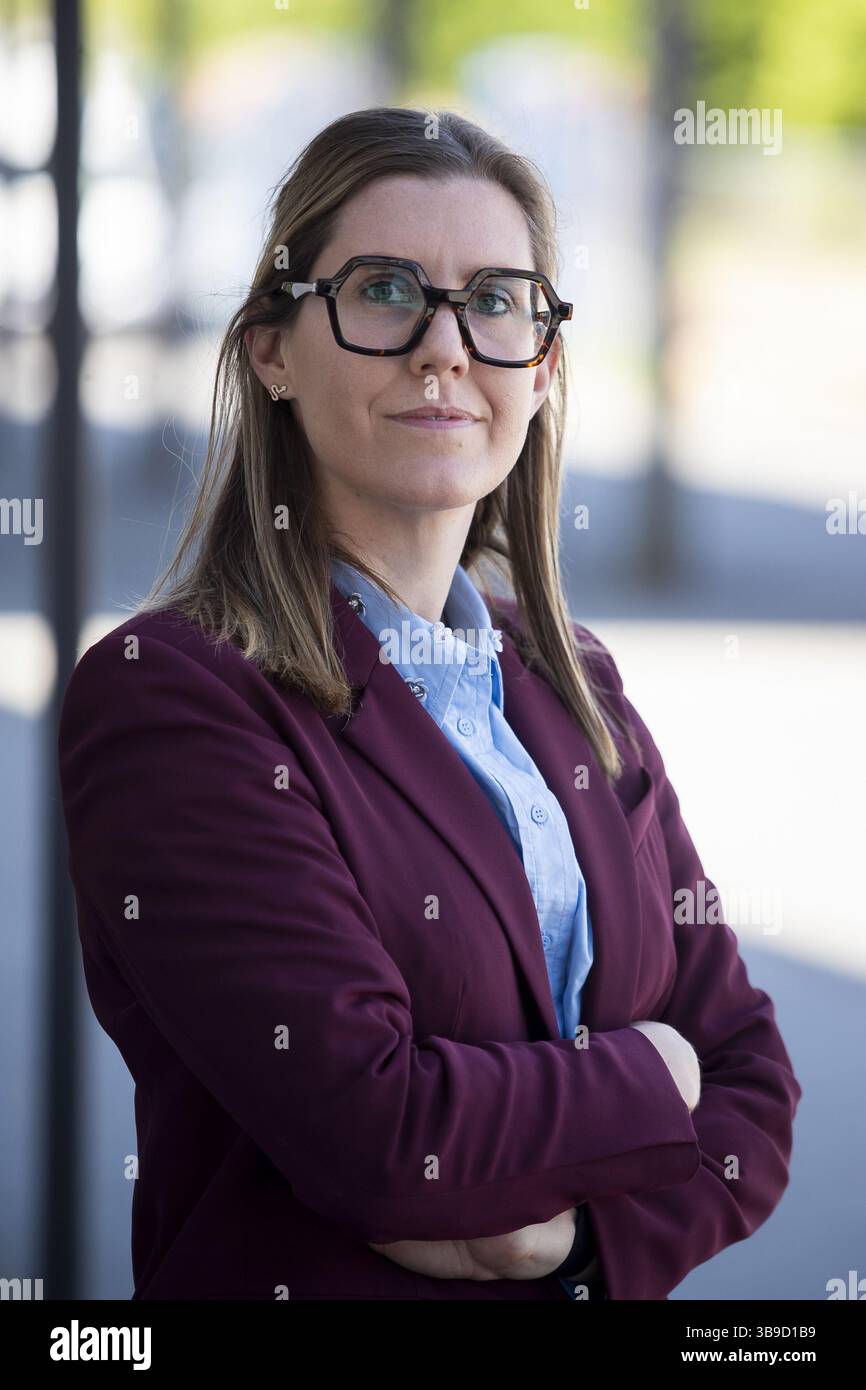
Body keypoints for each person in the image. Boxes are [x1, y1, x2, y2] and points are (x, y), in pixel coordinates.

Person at [58, 106, 800, 1301]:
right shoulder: (175, 699)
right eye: (387, 289)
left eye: (497, 299)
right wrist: (653, 1070)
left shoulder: (573, 684)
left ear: (542, 361)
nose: (444, 347)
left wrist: (568, 1250)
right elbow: (382, 1136)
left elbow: (753, 1082)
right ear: (271, 348)